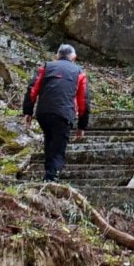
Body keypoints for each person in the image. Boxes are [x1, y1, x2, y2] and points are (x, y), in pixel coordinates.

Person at [21, 43, 89, 180]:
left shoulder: (46, 67)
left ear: (57, 56)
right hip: (64, 114)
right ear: (74, 57)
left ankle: (49, 173)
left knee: (49, 139)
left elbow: (32, 89)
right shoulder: (79, 73)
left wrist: (28, 111)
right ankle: (51, 178)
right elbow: (83, 101)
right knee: (58, 147)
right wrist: (82, 125)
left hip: (44, 113)